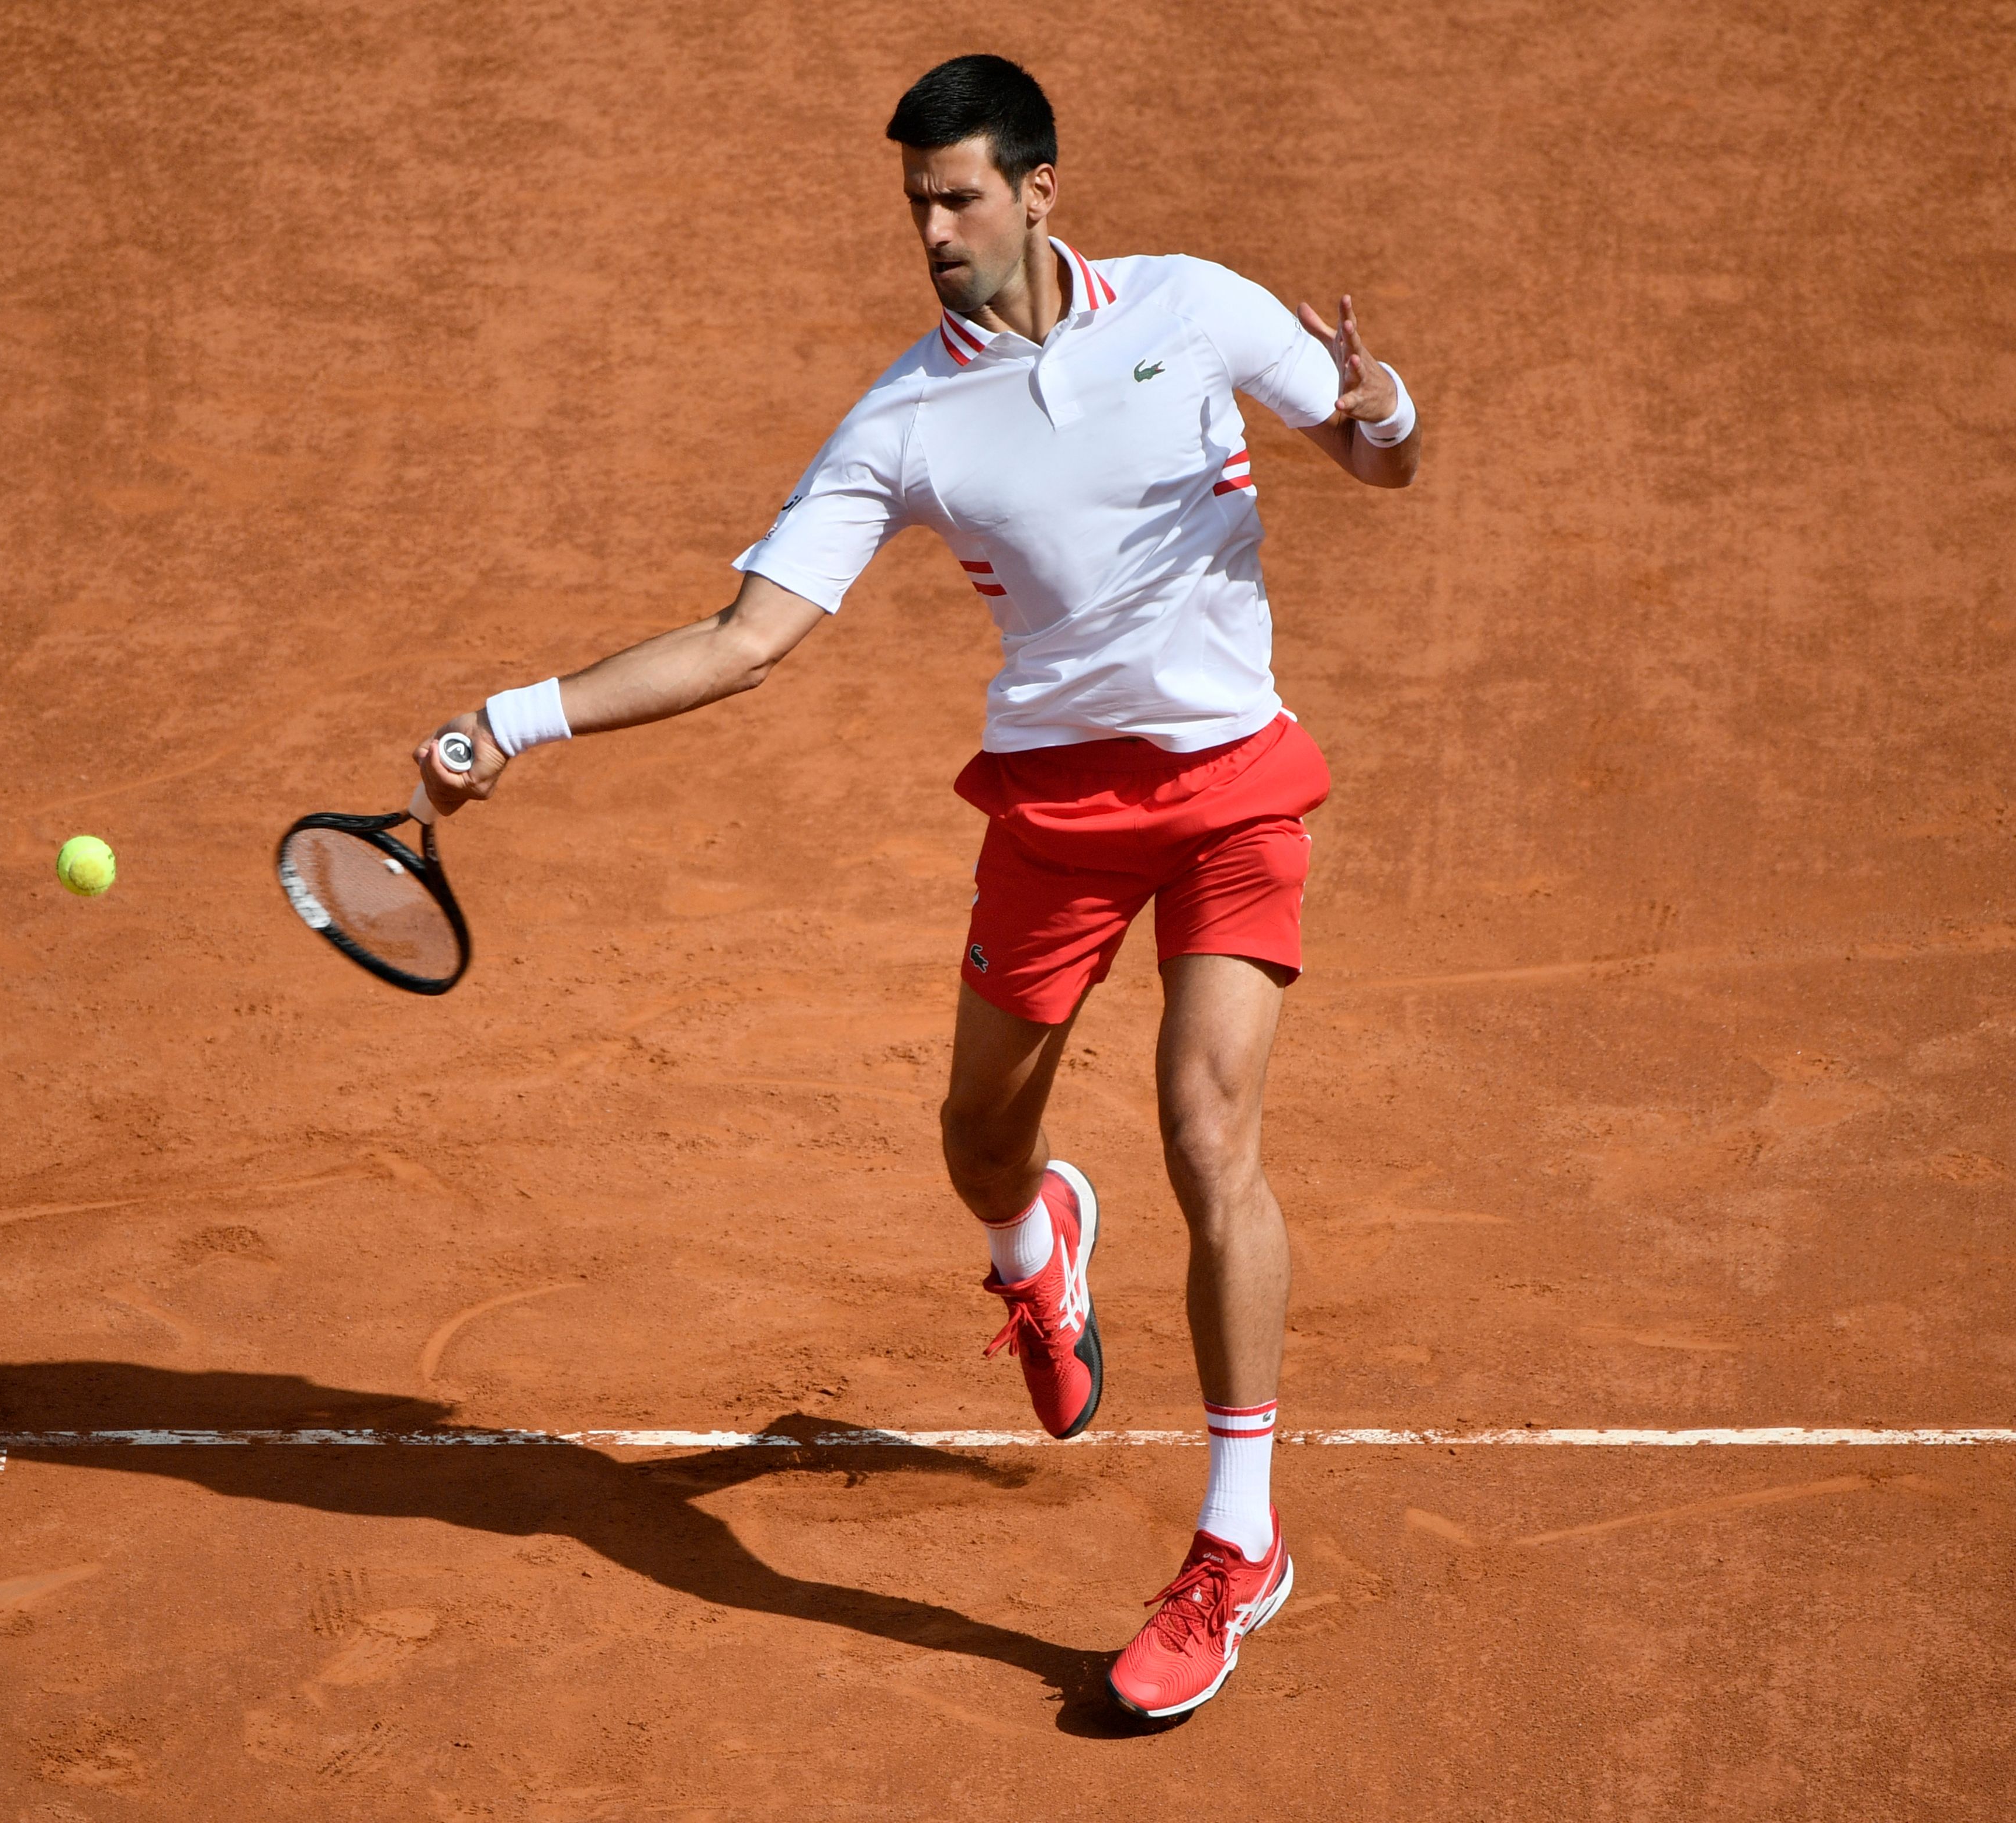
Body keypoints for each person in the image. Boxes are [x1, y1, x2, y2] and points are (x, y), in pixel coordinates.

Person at [412, 51, 1421, 1720]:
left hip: (1237, 787)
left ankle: (1237, 1543)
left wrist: (1377, 404)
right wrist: (512, 721)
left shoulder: (1201, 310)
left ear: (1039, 190)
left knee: (1206, 1125)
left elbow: (1385, 463)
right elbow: (745, 640)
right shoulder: (903, 420)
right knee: (974, 1143)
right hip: (1052, 813)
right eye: (916, 208)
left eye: (959, 198)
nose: (935, 232)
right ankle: (1041, 1247)